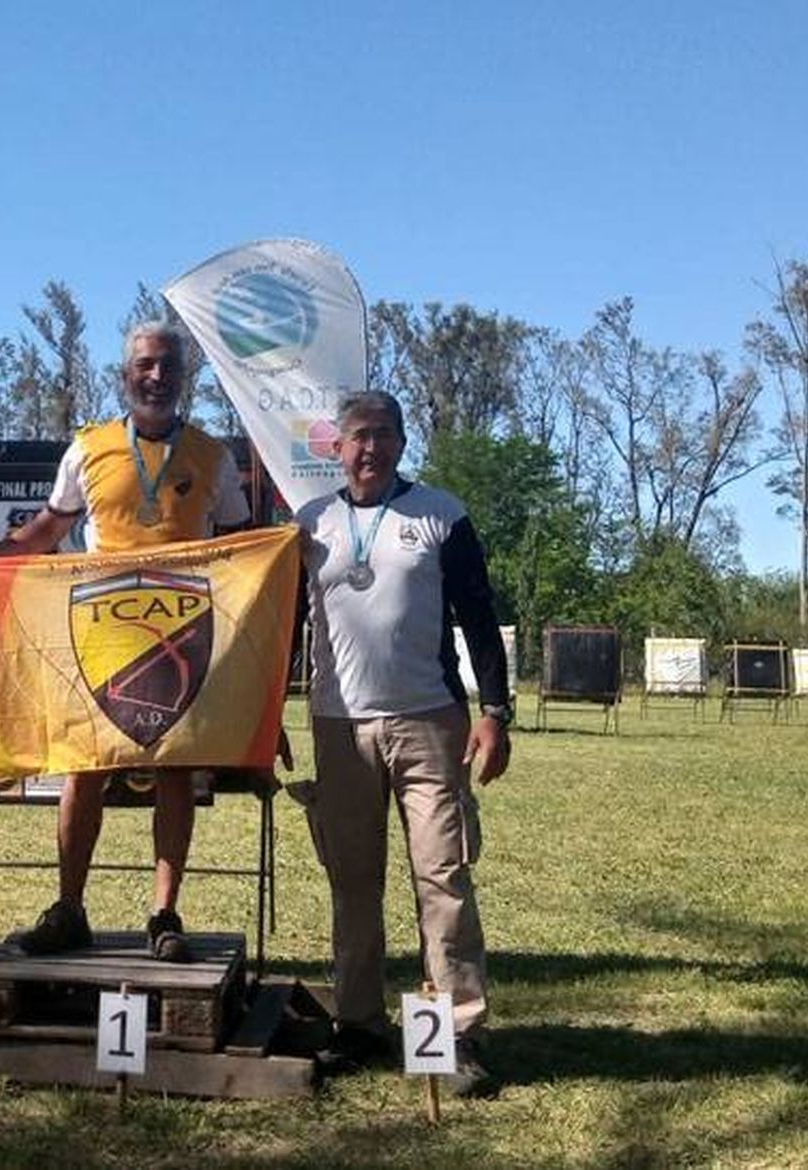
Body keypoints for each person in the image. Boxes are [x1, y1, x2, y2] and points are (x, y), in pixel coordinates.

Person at [0, 321, 251, 961]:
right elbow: (43, 531)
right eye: (145, 364)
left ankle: (164, 915)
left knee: (174, 774)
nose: (157, 376)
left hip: (181, 636)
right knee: (83, 771)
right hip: (100, 636)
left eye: (168, 366)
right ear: (125, 374)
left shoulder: (211, 455)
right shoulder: (87, 449)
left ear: (183, 377)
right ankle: (69, 908)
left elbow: (240, 548)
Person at [294, 389, 512, 1098]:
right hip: (338, 725)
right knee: (352, 882)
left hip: (430, 721)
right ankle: (357, 1024)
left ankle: (458, 1036)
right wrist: (268, 714)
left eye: (384, 435)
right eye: (358, 436)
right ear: (338, 447)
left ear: (402, 442)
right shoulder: (311, 524)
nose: (370, 448)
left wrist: (496, 711)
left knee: (442, 881)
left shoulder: (442, 515)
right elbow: (276, 628)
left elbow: (480, 617)